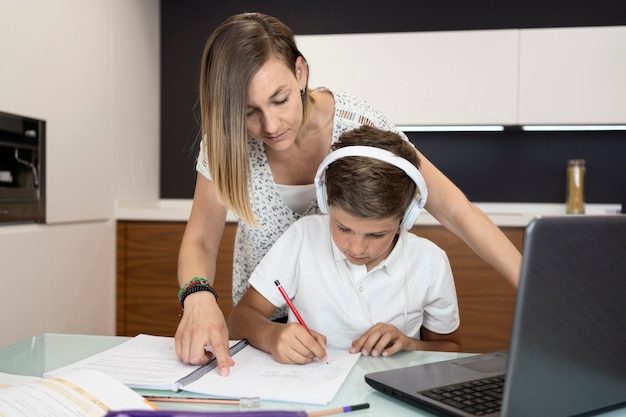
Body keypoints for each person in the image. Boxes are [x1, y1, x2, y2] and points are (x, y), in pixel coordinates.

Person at [175, 12, 521, 375]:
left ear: (300, 73)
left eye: (280, 100)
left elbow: (454, 209)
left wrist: (534, 289)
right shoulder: (228, 140)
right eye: (249, 113)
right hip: (259, 331)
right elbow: (200, 238)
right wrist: (197, 295)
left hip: (335, 347)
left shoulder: (360, 127)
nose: (270, 126)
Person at [228, 126, 462, 364]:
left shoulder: (430, 261)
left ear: (407, 217)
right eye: (343, 228)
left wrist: (411, 344)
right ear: (325, 202)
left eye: (376, 234)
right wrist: (272, 335)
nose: (357, 249)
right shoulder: (303, 237)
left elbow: (451, 347)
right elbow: (240, 318)